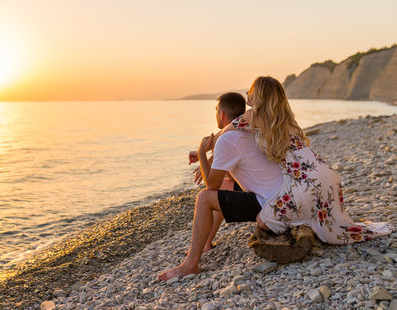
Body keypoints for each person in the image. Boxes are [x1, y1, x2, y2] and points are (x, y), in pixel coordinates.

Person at [221, 76, 394, 243]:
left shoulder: (252, 116)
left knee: (262, 220)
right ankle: (309, 223)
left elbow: (224, 133)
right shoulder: (284, 118)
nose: (246, 93)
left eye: (250, 90)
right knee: (328, 221)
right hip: (325, 175)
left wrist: (204, 150)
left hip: (305, 184)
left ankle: (305, 226)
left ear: (258, 96)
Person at [158, 92, 284, 281]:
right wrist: (209, 159)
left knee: (205, 198)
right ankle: (206, 242)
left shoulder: (227, 139)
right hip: (281, 195)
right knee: (224, 187)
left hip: (269, 204)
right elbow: (229, 173)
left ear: (221, 115)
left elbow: (211, 184)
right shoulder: (249, 130)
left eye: (217, 110)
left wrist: (202, 152)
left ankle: (190, 265)